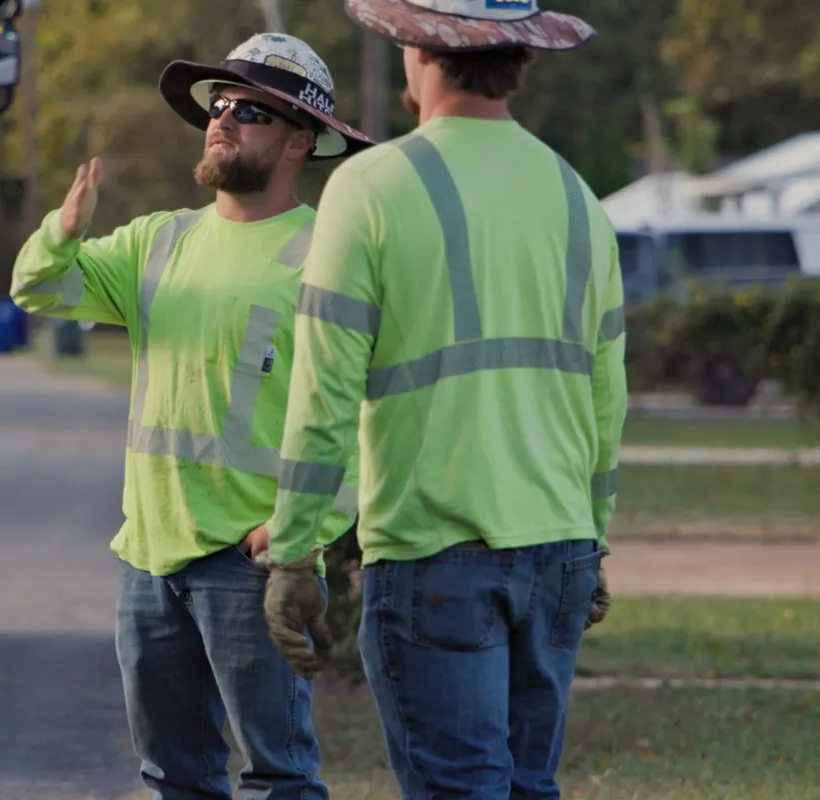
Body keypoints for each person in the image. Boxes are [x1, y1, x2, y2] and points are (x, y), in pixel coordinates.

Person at [253, 1, 624, 798]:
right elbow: (606, 401)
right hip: (559, 551)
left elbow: (324, 392)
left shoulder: (372, 186)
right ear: (520, 56)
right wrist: (593, 537)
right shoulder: (578, 197)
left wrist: (295, 552)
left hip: (434, 554)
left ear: (419, 51)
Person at [8, 32, 373, 800]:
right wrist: (63, 233)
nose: (222, 119)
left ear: (300, 141)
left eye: (250, 111)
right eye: (219, 105)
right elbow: (40, 290)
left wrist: (305, 532)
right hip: (148, 557)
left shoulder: (326, 257)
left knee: (277, 776)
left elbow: (365, 416)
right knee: (173, 777)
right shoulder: (158, 242)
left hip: (252, 563)